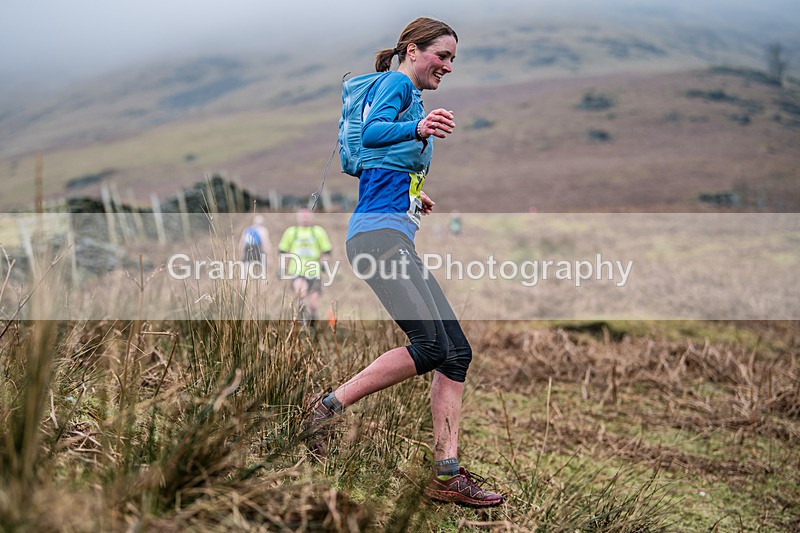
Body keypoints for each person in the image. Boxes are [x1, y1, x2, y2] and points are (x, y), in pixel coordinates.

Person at [307, 17, 503, 508]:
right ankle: (324, 409)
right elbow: (372, 133)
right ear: (412, 50)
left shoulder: (410, 96)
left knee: (455, 352)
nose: (448, 66)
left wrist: (416, 195)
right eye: (442, 55)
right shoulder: (397, 83)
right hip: (377, 240)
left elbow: (382, 163)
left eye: (454, 58)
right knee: (431, 346)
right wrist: (417, 127)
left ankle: (446, 475)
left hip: (391, 235)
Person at [278, 208, 332, 322]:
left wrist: (324, 264)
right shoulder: (291, 232)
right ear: (298, 218)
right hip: (296, 271)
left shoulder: (318, 232)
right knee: (301, 294)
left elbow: (327, 251)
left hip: (314, 271)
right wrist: (282, 268)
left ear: (312, 217)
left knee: (313, 303)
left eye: (307, 216)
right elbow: (282, 251)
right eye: (302, 216)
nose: (305, 219)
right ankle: (302, 324)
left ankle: (313, 326)